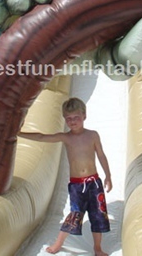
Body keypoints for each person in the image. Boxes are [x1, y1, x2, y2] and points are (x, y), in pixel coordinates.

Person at [18, 97, 112, 256]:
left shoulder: (93, 135)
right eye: (68, 119)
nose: (72, 121)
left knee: (98, 214)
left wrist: (108, 176)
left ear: (84, 116)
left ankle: (97, 248)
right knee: (75, 214)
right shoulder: (66, 138)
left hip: (94, 182)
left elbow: (101, 155)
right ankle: (58, 243)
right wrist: (19, 133)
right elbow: (42, 137)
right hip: (77, 184)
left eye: (76, 117)